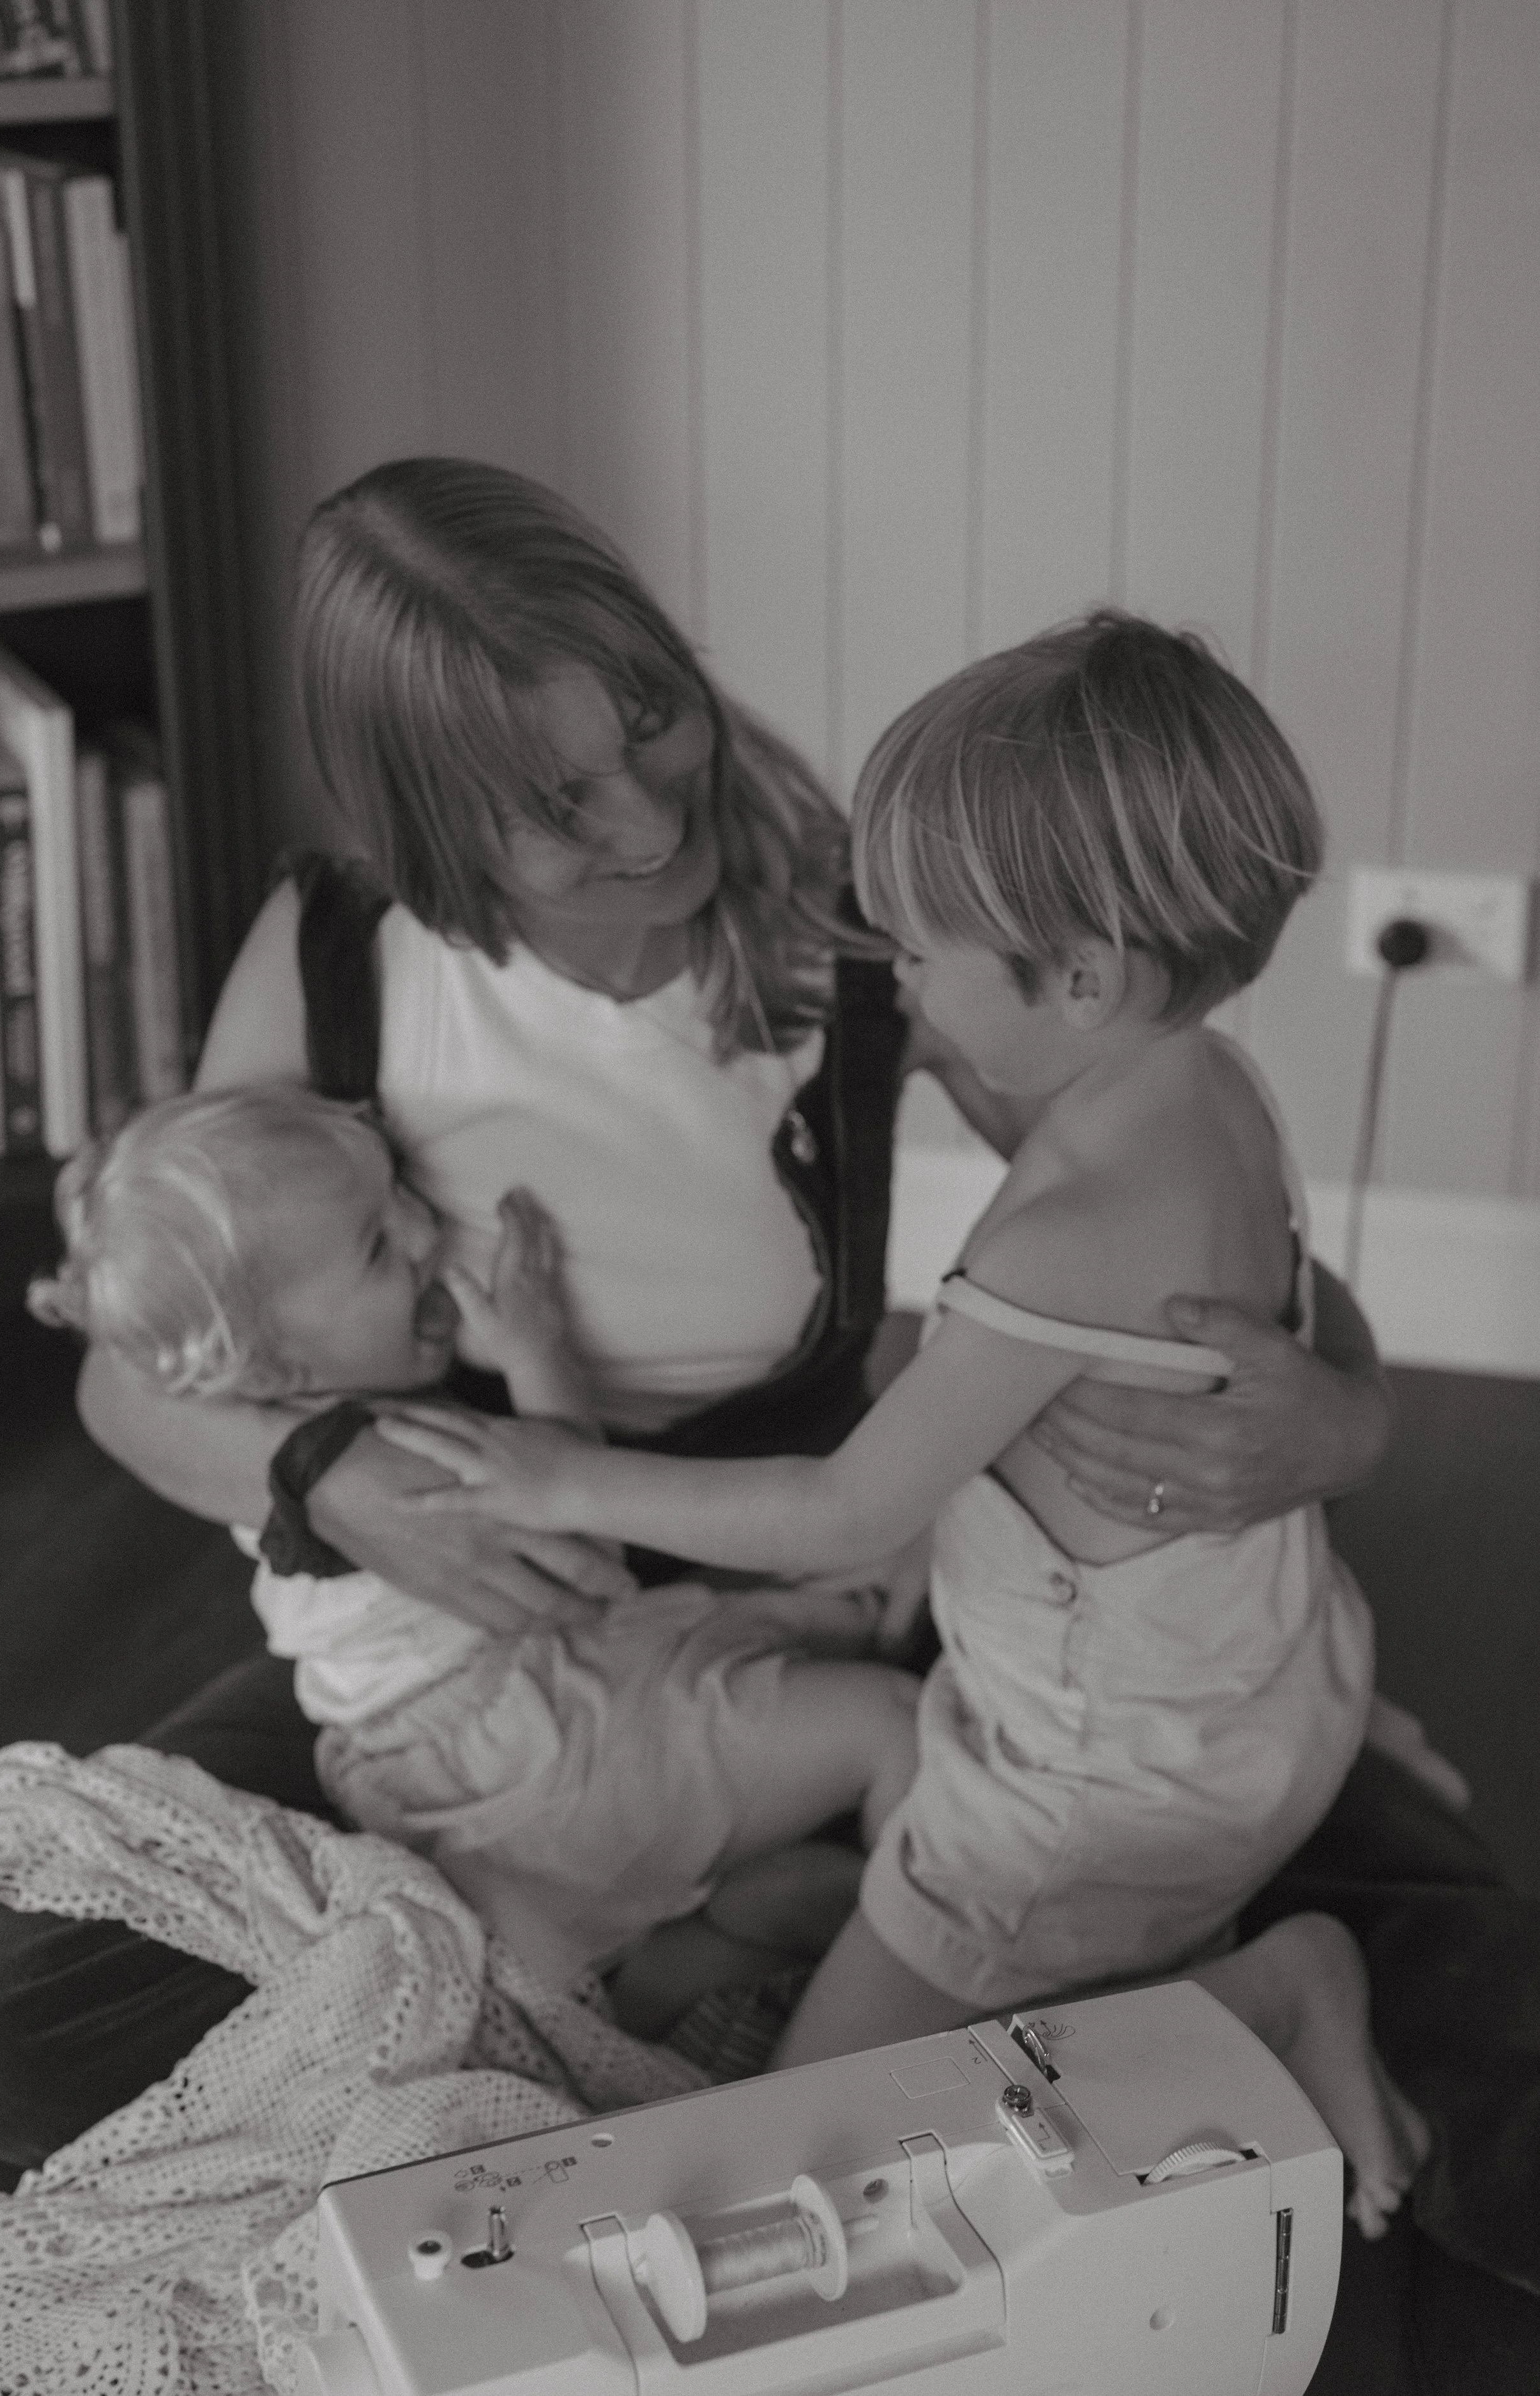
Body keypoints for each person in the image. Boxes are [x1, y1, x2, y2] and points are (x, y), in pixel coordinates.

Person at [0, 460, 1405, 2179]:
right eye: (556, 804)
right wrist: (327, 1469)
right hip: (466, 1635)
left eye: (654, 717)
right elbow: (139, 1372)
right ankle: (699, 1960)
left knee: (1216, 1866)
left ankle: (705, 1993)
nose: (649, 820)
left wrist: (1346, 1416)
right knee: (2, 2005)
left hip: (786, 1570)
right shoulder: (335, 950)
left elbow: (1166, 1223)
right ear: (427, 822)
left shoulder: (850, 924)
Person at [374, 611, 1429, 2232]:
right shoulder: (1206, 1087)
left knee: (814, 2145)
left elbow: (844, 1514)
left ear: (1077, 978)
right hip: (1250, 1680)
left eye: (920, 952)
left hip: (1086, 1783)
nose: (897, 986)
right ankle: (907, 1927)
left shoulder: (1063, 1231)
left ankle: (1264, 1996)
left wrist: (561, 1465)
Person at [25, 1084, 920, 2000]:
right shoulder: (394, 1459)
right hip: (526, 1758)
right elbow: (584, 1554)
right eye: (379, 1243)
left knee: (822, 1636)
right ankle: (912, 1987)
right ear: (275, 1365)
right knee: (890, 1721)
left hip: (481, 1744)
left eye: (400, 1196)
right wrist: (539, 1352)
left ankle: (698, 1956)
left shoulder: (316, 1435)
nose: (424, 1236)